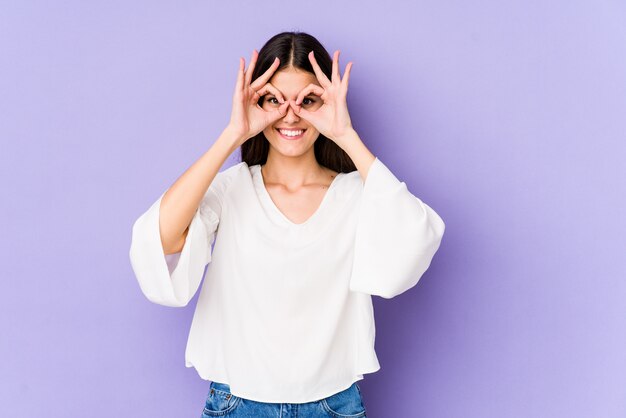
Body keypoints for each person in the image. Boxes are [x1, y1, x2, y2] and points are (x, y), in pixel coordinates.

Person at [129, 31, 445, 417]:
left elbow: (416, 237)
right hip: (237, 403)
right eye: (273, 100)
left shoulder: (358, 194)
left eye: (308, 100)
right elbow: (159, 240)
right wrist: (233, 134)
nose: (291, 114)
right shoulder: (231, 190)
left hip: (333, 404)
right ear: (255, 102)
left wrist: (346, 135)